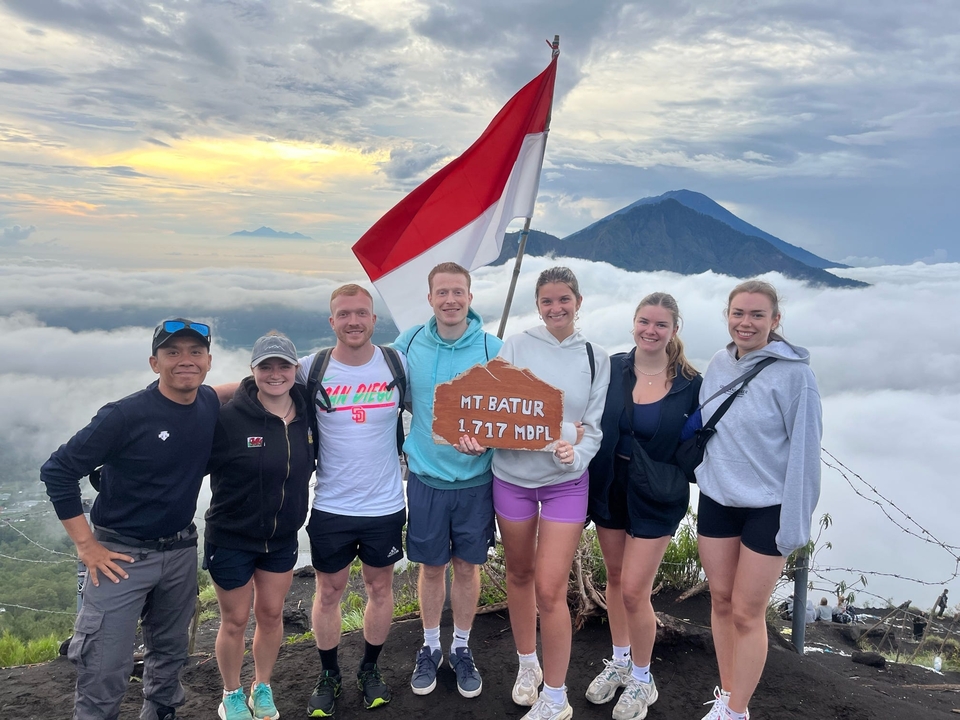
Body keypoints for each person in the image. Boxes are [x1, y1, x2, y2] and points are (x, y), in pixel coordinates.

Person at [40, 318, 219, 720]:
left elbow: (232, 391)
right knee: (104, 663)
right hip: (118, 555)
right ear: (155, 363)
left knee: (171, 653)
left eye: (195, 352)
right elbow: (58, 470)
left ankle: (161, 713)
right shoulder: (124, 415)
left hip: (179, 550)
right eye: (173, 352)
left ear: (208, 361)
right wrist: (87, 546)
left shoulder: (207, 402)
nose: (185, 361)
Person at [466, 266, 610, 720]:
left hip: (566, 483)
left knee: (550, 590)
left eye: (564, 299)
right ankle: (527, 665)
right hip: (512, 478)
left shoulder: (594, 357)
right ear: (538, 304)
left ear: (578, 302)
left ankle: (555, 694)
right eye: (547, 301)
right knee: (519, 575)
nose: (556, 308)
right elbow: (499, 412)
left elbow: (595, 430)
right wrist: (475, 437)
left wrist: (578, 450)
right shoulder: (517, 346)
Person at [695, 280, 822, 720]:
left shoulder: (796, 376)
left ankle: (737, 711)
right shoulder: (717, 362)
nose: (745, 323)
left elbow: (805, 454)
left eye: (756, 315)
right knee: (721, 601)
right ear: (727, 316)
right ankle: (727, 694)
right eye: (738, 314)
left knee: (748, 613)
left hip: (769, 507)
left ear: (775, 320)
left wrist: (796, 525)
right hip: (718, 498)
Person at [585, 293, 701, 720]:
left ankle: (642, 677)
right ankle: (618, 662)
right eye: (643, 321)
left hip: (657, 494)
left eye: (660, 324)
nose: (650, 331)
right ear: (633, 323)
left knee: (635, 589)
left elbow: (704, 440)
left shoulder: (691, 383)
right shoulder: (612, 369)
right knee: (615, 580)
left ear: (674, 330)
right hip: (612, 485)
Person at [393, 262, 503, 700]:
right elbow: (378, 386)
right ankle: (429, 646)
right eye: (443, 292)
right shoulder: (409, 343)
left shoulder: (493, 348)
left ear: (471, 297)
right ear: (430, 298)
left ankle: (461, 647)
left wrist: (489, 440)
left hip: (476, 480)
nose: (451, 300)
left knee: (467, 567)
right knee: (431, 567)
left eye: (458, 292)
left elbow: (508, 416)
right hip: (425, 477)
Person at [302, 285, 408, 717]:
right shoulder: (313, 367)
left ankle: (368, 668)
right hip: (331, 505)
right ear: (332, 322)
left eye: (361, 313)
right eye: (344, 314)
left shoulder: (395, 364)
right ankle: (329, 673)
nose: (353, 321)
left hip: (384, 504)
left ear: (373, 320)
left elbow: (443, 400)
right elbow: (259, 385)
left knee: (380, 588)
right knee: (328, 592)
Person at [204, 333, 314, 720]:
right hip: (231, 537)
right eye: (265, 366)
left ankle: (261, 687)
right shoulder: (228, 418)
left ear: (295, 370)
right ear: (253, 371)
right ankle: (231, 693)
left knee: (271, 615)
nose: (275, 374)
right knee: (234, 620)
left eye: (283, 365)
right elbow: (187, 462)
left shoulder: (307, 414)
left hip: (281, 538)